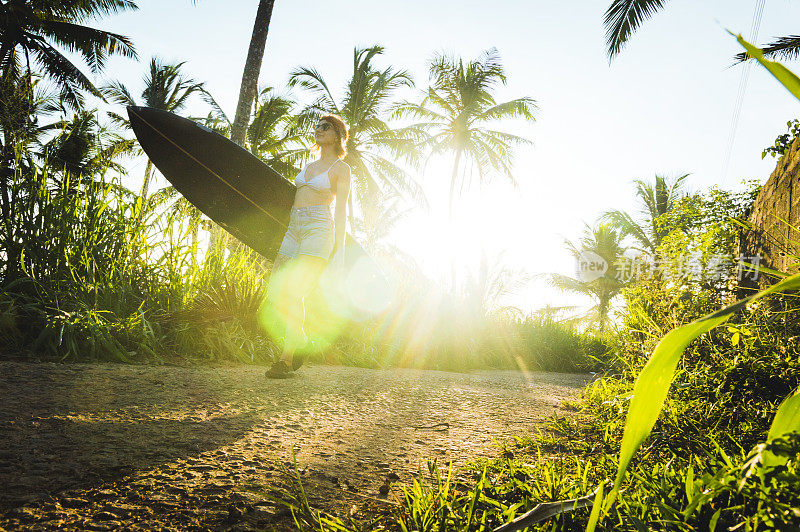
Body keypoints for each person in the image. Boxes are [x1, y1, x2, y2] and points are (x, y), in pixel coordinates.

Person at [264, 114, 351, 378]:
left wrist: (340, 250)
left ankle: (285, 359)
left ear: (337, 135)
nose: (318, 130)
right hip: (295, 227)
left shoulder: (341, 169)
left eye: (325, 127)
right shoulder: (309, 165)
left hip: (318, 228)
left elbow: (341, 212)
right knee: (276, 289)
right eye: (316, 127)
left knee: (294, 291)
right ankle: (301, 339)